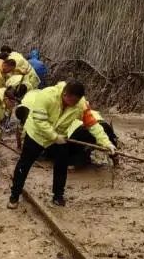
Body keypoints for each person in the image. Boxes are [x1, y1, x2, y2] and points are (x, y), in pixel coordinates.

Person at [8, 80, 87, 210]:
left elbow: (92, 124)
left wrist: (106, 143)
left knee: (62, 163)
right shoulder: (46, 95)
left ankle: (58, 195)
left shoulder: (80, 104)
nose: (74, 104)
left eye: (76, 102)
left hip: (58, 136)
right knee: (25, 163)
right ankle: (14, 195)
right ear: (65, 94)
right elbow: (39, 121)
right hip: (37, 134)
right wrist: (54, 137)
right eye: (71, 101)